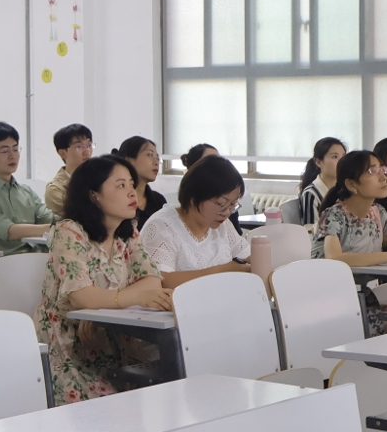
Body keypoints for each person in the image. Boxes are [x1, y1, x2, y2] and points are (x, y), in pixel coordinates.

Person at [36, 155, 172, 403]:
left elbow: (152, 281)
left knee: (165, 389)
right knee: (119, 408)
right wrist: (112, 302)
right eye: (121, 185)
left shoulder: (127, 233)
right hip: (69, 349)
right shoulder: (69, 232)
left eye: (132, 184)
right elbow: (81, 296)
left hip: (114, 339)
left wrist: (99, 309)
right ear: (94, 195)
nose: (132, 192)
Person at [140, 155, 251, 289]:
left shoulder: (222, 224)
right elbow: (161, 280)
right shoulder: (162, 227)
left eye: (233, 205)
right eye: (221, 204)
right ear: (193, 198)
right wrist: (222, 271)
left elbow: (247, 256)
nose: (227, 212)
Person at [311, 150, 387, 269]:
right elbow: (334, 258)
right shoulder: (334, 215)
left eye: (382, 170)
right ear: (351, 184)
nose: (383, 177)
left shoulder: (378, 213)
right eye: (373, 171)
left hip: (367, 281)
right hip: (328, 280)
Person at [0, 122, 54, 254]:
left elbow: (48, 217)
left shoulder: (26, 192)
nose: (13, 156)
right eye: (4, 151)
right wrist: (55, 228)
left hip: (36, 257)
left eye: (15, 149)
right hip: (2, 262)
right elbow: (9, 231)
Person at [114, 135, 166, 229]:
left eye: (157, 158)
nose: (156, 162)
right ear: (129, 160)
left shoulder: (158, 201)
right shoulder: (116, 199)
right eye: (150, 154)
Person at [44, 124, 93, 216]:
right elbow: (74, 219)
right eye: (79, 146)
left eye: (89, 145)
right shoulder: (56, 190)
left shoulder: (99, 179)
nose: (87, 152)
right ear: (63, 153)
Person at [297, 137, 347, 226]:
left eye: (343, 156)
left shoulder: (346, 188)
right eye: (335, 157)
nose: (341, 162)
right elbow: (310, 230)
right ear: (318, 162)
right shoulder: (311, 194)